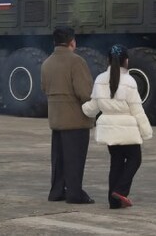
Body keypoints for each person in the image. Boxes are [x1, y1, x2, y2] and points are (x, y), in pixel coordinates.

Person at [82, 44, 153, 209]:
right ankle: (121, 191)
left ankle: (113, 202)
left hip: (109, 131)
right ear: (126, 61)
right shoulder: (129, 81)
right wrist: (146, 132)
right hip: (128, 131)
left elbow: (93, 106)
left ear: (108, 60)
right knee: (135, 159)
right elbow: (137, 110)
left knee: (116, 163)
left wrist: (82, 109)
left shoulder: (100, 79)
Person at [40, 26, 96, 204]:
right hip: (75, 119)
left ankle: (56, 191)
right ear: (72, 41)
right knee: (74, 159)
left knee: (58, 159)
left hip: (56, 118)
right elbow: (84, 92)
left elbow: (44, 88)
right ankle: (74, 193)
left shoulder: (46, 63)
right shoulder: (76, 62)